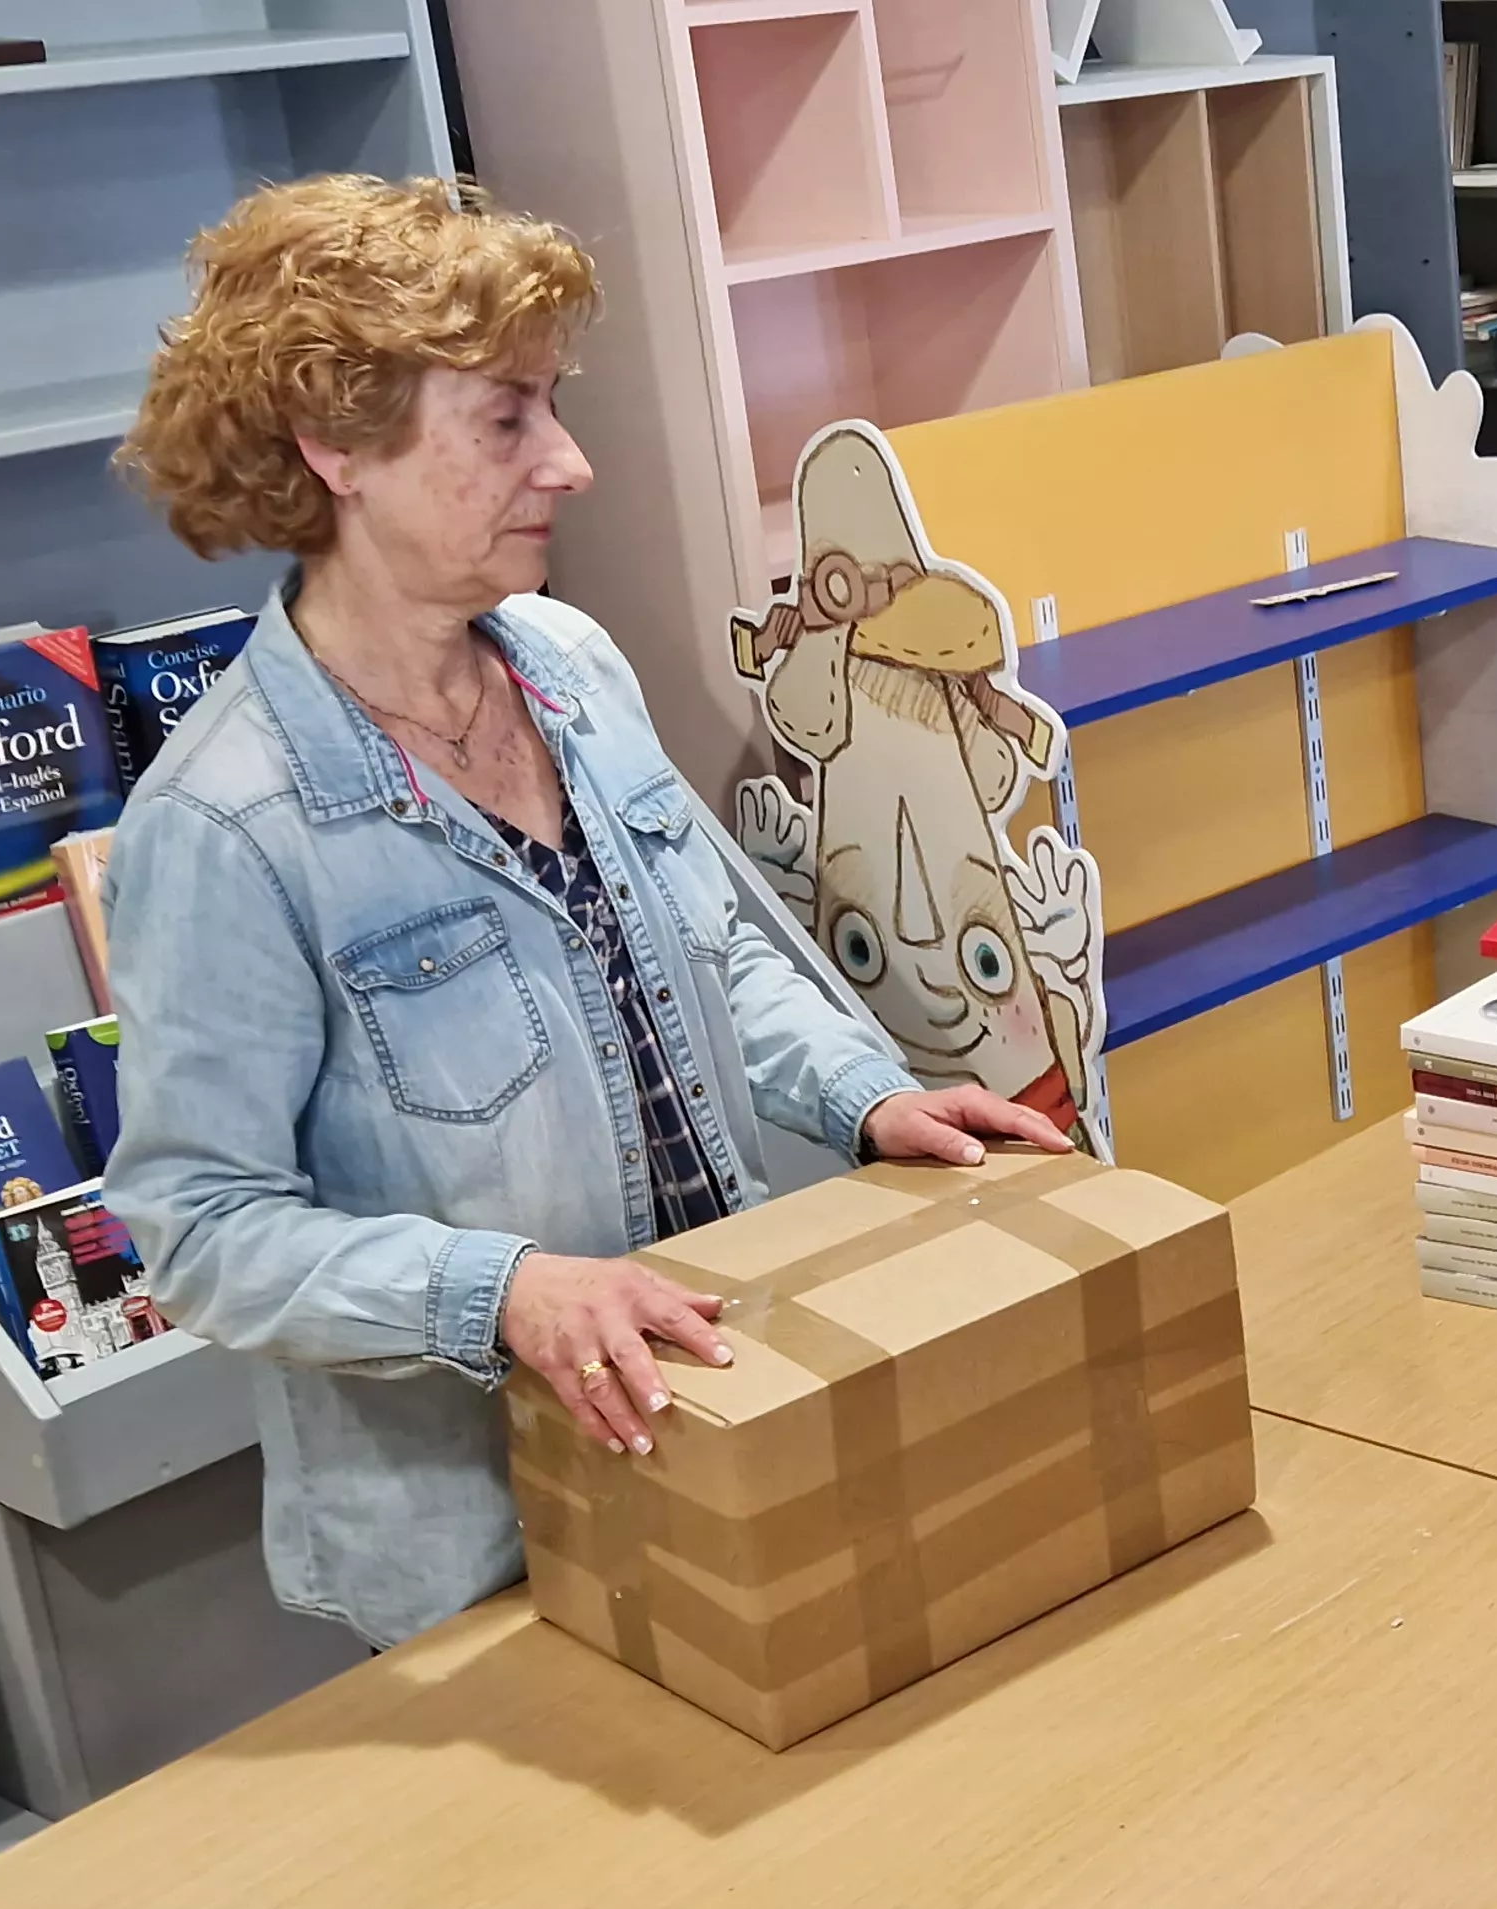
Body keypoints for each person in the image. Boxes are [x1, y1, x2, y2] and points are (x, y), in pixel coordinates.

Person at [101, 177, 1064, 1650]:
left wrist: (872, 1099)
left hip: (729, 1412)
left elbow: (712, 946)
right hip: (494, 1540)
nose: (571, 462)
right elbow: (201, 1231)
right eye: (507, 418)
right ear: (333, 447)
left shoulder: (564, 659)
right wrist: (503, 1297)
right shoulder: (226, 826)